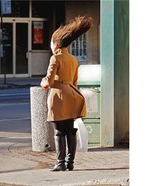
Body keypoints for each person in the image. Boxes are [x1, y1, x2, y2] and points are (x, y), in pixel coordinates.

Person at [40, 16, 93, 171]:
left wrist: (43, 82)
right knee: (70, 130)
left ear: (56, 44)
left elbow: (49, 80)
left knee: (59, 132)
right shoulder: (73, 59)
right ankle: (70, 163)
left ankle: (60, 163)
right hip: (72, 94)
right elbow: (75, 81)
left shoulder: (55, 58)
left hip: (58, 96)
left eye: (51, 42)